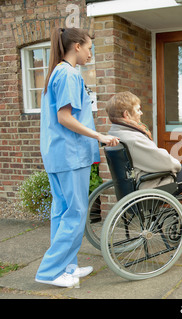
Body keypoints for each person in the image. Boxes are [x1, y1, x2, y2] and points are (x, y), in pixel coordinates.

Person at [35, 28, 120, 288]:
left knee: (62, 213)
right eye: (89, 48)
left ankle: (66, 267)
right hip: (70, 156)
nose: (90, 53)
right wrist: (99, 136)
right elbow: (65, 117)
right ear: (76, 46)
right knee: (75, 213)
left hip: (58, 155)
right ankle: (50, 271)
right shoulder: (69, 74)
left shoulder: (57, 72)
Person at [105, 91, 182, 226]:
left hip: (136, 183)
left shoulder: (116, 133)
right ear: (126, 114)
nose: (141, 113)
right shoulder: (133, 138)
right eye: (138, 110)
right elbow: (163, 161)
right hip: (148, 187)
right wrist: (176, 165)